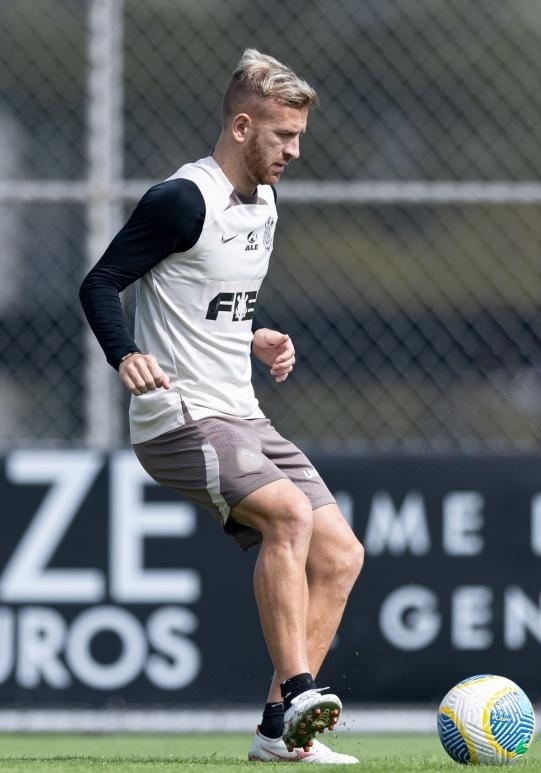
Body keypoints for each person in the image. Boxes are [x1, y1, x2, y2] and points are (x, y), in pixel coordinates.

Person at [79, 49, 364, 765]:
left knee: (339, 553)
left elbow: (211, 298)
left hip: (241, 412)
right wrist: (125, 354)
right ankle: (300, 687)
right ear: (242, 126)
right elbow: (99, 284)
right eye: (282, 137)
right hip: (178, 420)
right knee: (290, 517)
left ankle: (278, 730)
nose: (294, 152)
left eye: (299, 137)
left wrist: (255, 335)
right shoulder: (182, 200)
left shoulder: (266, 200)